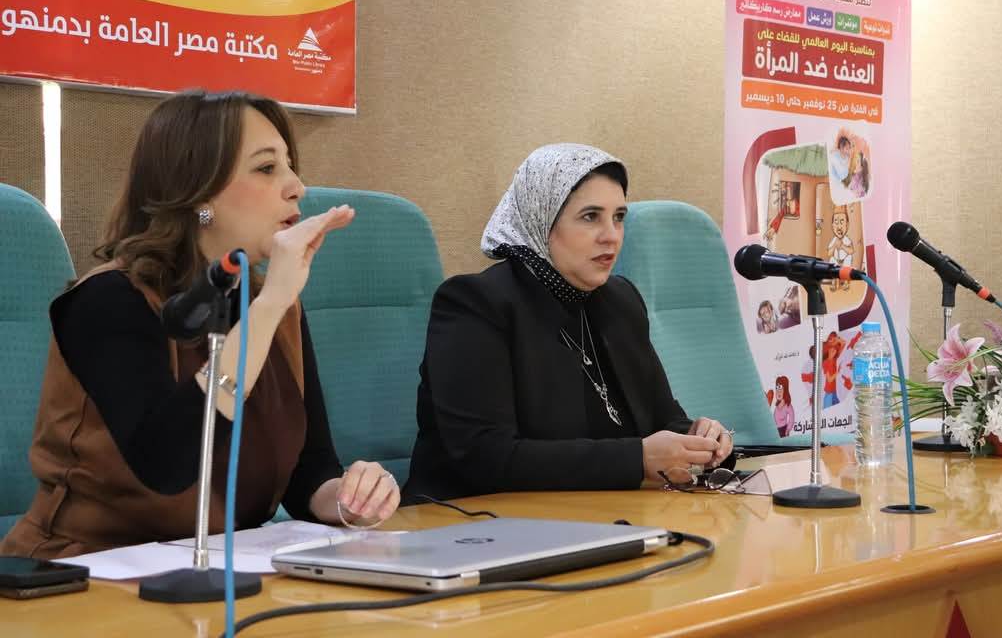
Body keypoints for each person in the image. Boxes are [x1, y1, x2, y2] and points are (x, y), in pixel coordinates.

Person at [1, 90, 399, 559]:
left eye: (291, 167)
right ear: (198, 195)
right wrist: (269, 305)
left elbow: (309, 473)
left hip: (227, 568)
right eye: (266, 168)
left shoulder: (276, 305)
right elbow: (168, 463)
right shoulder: (107, 300)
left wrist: (352, 499)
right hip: (86, 570)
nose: (297, 187)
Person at [404, 143, 734, 501]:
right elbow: (486, 457)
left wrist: (701, 438)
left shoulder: (620, 300)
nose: (611, 235)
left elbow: (663, 418)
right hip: (473, 520)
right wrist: (637, 459)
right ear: (541, 218)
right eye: (590, 217)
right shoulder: (476, 304)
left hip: (599, 513)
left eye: (618, 217)